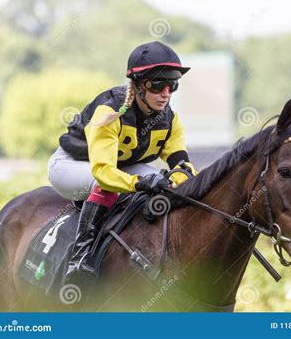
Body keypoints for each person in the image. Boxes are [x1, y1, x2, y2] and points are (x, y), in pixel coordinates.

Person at [47, 41, 197, 282]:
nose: (166, 93)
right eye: (159, 84)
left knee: (161, 181)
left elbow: (182, 165)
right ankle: (80, 259)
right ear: (138, 85)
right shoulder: (109, 111)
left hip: (119, 166)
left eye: (172, 85)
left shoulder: (170, 119)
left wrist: (181, 180)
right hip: (70, 166)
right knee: (111, 186)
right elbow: (104, 172)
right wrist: (139, 183)